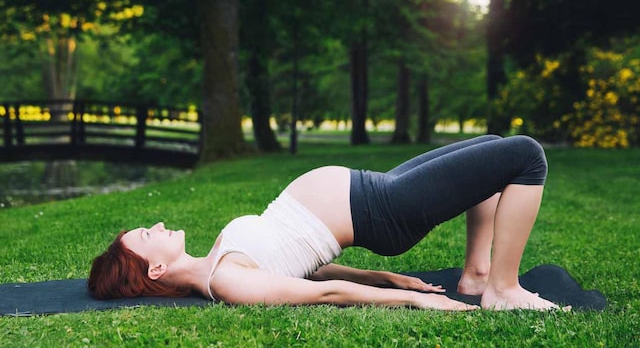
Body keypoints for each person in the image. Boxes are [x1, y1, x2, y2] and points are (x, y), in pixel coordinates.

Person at [89, 135, 564, 311]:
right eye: (147, 236)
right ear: (153, 271)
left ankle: (479, 274)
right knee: (524, 156)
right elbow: (322, 294)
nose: (156, 224)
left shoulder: (217, 261)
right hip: (384, 209)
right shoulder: (228, 281)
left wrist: (379, 275)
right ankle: (503, 289)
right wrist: (408, 299)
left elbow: (303, 267)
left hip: (376, 187)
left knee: (492, 143)